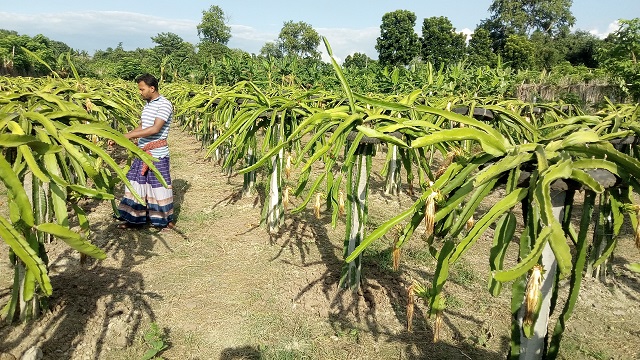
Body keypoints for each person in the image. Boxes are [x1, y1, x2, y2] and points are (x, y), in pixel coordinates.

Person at [114, 73, 175, 231]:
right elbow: (142, 127)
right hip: (142, 152)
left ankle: (165, 220)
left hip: (157, 154)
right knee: (135, 185)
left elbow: (155, 129)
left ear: (152, 88)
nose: (140, 92)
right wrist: (121, 137)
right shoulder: (147, 105)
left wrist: (127, 135)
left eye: (142, 89)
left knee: (159, 188)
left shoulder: (165, 104)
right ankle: (134, 219)